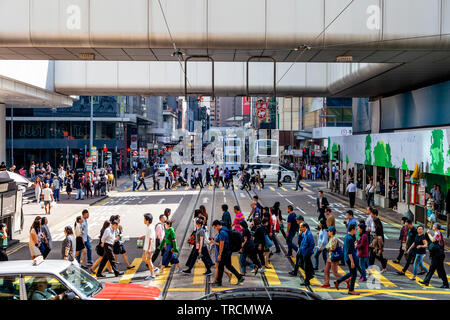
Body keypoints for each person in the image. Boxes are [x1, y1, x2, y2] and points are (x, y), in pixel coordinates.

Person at [211, 220, 244, 287]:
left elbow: (221, 244)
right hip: (228, 251)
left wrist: (220, 254)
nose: (215, 229)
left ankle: (219, 282)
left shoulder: (222, 232)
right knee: (229, 266)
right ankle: (240, 277)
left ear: (217, 225)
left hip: (225, 252)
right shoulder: (225, 229)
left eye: (215, 227)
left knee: (220, 267)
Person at [420, 223, 449, 288]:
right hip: (437, 254)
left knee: (440, 270)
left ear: (435, 228)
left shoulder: (437, 233)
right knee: (432, 268)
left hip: (438, 255)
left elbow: (433, 240)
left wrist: (429, 234)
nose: (432, 227)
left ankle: (446, 284)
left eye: (433, 226)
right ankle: (426, 281)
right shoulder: (438, 233)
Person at [334, 224, 360, 295]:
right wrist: (352, 262)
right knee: (354, 274)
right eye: (355, 229)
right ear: (352, 230)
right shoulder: (350, 238)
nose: (356, 231)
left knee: (352, 273)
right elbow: (349, 252)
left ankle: (338, 281)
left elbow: (348, 248)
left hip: (347, 257)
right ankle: (351, 290)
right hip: (351, 258)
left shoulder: (347, 237)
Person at [140, 214, 158, 280]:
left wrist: (149, 249)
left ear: (147, 221)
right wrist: (144, 236)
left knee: (148, 260)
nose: (143, 220)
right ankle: (154, 268)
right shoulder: (150, 227)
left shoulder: (150, 228)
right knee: (144, 258)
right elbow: (149, 236)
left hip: (149, 248)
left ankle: (152, 274)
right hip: (147, 247)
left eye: (144, 219)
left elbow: (151, 238)